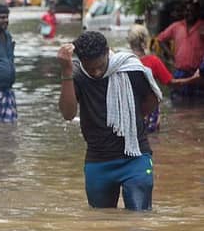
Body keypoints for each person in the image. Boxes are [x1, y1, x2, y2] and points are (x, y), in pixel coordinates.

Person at [58, 31, 161, 210]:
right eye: (90, 68)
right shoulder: (77, 75)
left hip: (135, 157)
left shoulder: (130, 69)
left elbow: (152, 99)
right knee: (101, 224)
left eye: (100, 66)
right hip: (98, 160)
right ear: (80, 61)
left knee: (140, 222)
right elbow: (68, 114)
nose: (96, 72)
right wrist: (66, 71)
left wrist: (128, 123)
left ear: (107, 52)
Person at [127, 24, 199, 132]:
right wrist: (194, 78)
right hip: (150, 109)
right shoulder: (153, 61)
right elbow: (172, 83)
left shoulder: (124, 62)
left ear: (130, 42)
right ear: (146, 40)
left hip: (130, 109)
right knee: (153, 139)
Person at [157, 0, 204, 100]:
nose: (189, 13)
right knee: (177, 101)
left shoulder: (202, 26)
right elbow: (160, 39)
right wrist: (170, 55)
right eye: (187, 10)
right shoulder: (176, 26)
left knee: (198, 102)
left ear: (198, 12)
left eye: (192, 10)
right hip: (180, 72)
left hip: (198, 74)